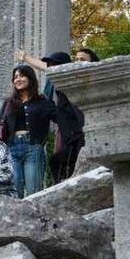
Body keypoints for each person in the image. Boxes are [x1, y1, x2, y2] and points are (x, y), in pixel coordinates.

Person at [0, 64, 57, 197]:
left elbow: (59, 116)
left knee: (33, 192)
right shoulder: (9, 102)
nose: (18, 79)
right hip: (12, 149)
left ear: (30, 78)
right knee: (14, 191)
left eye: (22, 76)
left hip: (33, 148)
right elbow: (1, 125)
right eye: (15, 77)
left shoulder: (42, 101)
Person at [40, 53, 87, 184]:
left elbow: (78, 115)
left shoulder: (70, 88)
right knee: (57, 162)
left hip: (77, 140)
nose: (51, 68)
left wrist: (80, 139)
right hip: (69, 140)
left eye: (54, 65)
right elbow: (61, 115)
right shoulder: (59, 90)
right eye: (49, 66)